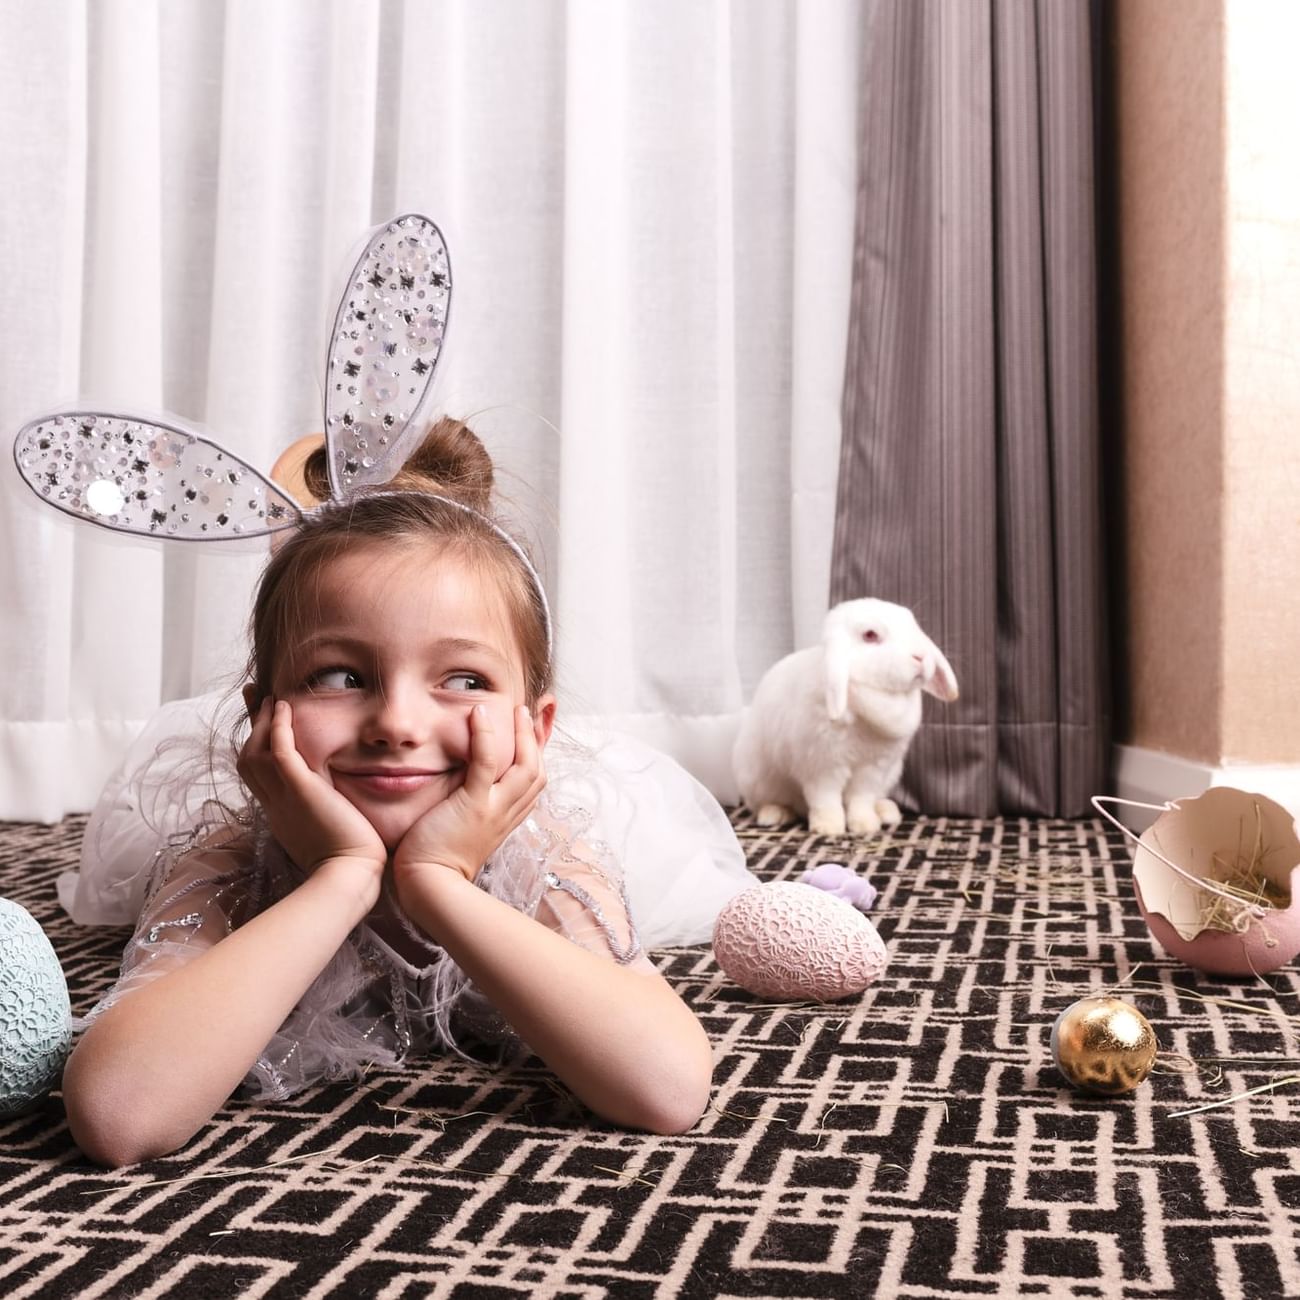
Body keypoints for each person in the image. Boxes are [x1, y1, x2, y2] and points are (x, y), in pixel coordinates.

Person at [61, 416, 750, 1168]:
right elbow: (119, 1115)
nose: (395, 723)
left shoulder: (546, 855)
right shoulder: (227, 858)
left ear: (534, 726)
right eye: (340, 677)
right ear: (264, 716)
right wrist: (342, 876)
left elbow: (669, 1090)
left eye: (462, 680)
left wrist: (437, 884)